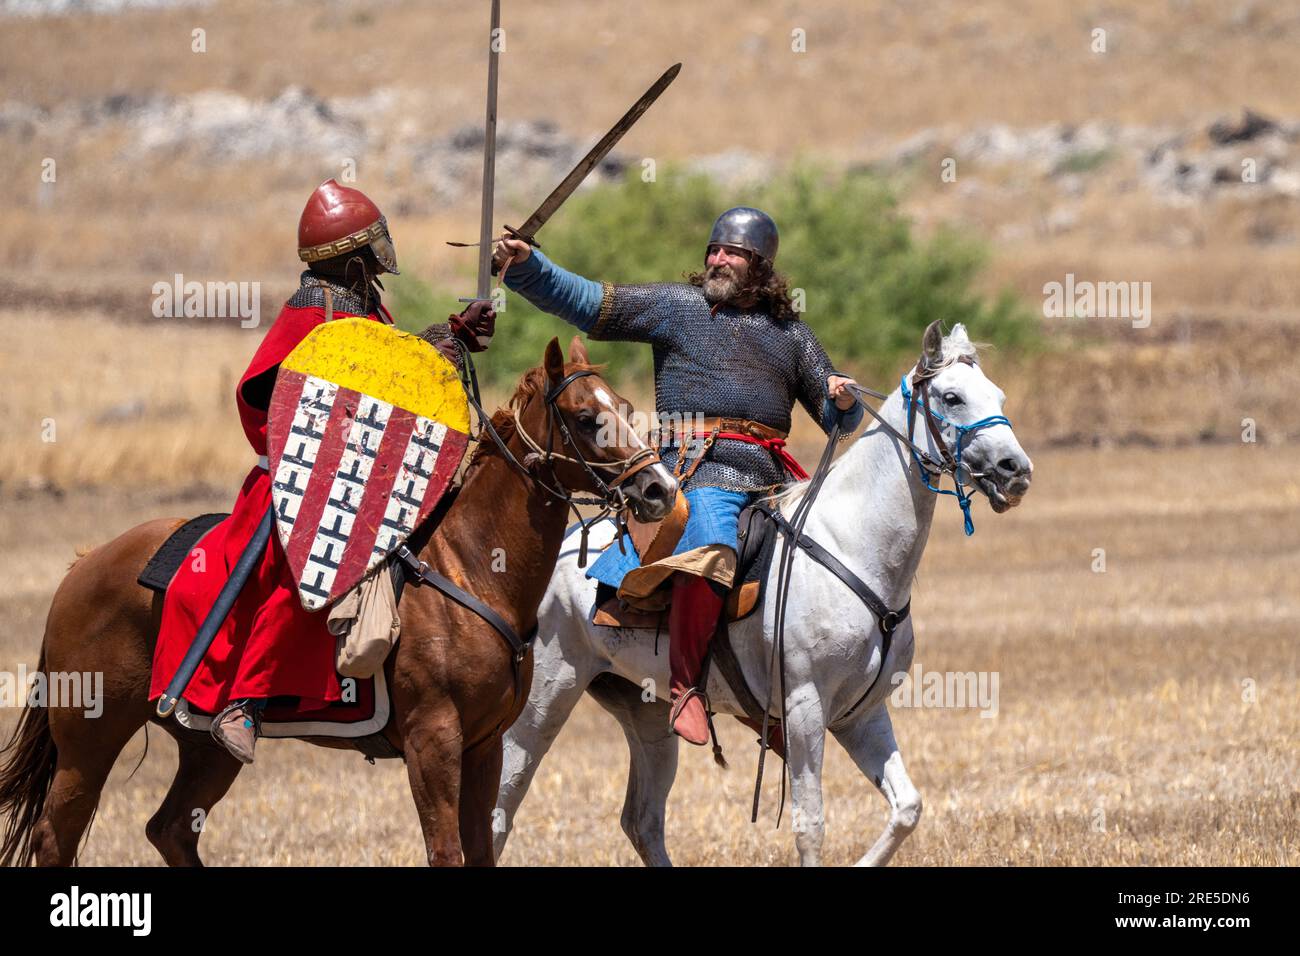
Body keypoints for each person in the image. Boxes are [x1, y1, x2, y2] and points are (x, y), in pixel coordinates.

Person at [150, 179, 495, 764]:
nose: (382, 256)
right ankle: (248, 702)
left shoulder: (363, 309)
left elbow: (394, 375)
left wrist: (454, 337)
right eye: (373, 247)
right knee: (305, 572)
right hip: (295, 485)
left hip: (360, 482)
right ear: (355, 259)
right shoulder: (308, 318)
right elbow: (267, 405)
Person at [494, 207, 862, 745]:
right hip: (696, 467)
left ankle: (772, 691)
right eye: (713, 250)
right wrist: (528, 268)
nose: (716, 259)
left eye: (731, 252)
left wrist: (843, 400)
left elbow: (834, 418)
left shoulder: (791, 335)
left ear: (759, 264)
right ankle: (687, 685)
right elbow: (589, 303)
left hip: (770, 476)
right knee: (712, 537)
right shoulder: (678, 307)